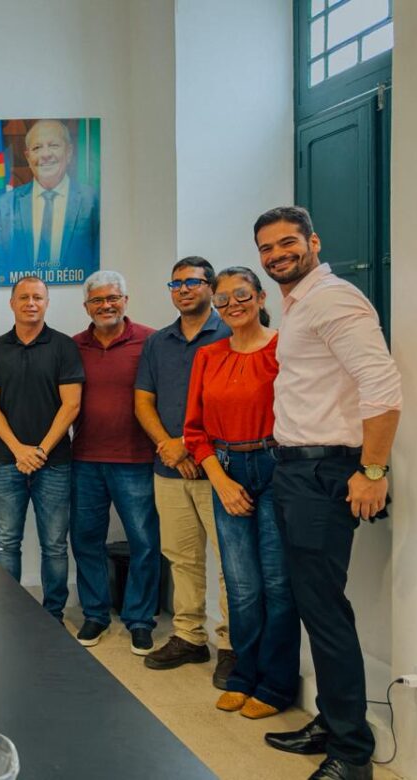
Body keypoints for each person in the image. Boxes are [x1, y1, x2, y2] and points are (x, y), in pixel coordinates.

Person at [255, 207, 401, 780]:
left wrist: (372, 469)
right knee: (315, 607)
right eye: (267, 248)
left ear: (313, 242)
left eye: (287, 242)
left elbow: (381, 384)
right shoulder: (301, 305)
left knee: (325, 612)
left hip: (323, 472)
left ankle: (351, 754)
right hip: (297, 471)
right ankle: (333, 720)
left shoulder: (334, 299)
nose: (276, 255)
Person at [183, 267, 299, 721]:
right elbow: (194, 431)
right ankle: (244, 675)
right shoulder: (208, 356)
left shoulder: (283, 350)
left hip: (276, 466)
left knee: (278, 583)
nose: (233, 305)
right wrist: (220, 480)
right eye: (223, 299)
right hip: (225, 469)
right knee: (242, 585)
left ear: (261, 297)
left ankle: (276, 683)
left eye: (242, 295)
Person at [135, 257, 237, 688]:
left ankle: (231, 645)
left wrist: (192, 446)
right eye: (175, 283)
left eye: (192, 282)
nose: (183, 289)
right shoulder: (159, 342)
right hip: (170, 469)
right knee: (182, 557)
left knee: (231, 563)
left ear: (210, 287)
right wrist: (171, 448)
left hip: (220, 471)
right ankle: (190, 636)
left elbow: (235, 403)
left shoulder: (231, 332)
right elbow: (144, 401)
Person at [68, 271, 160, 655]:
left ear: (125, 300)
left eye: (113, 298)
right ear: (86, 307)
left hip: (136, 459)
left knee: (144, 542)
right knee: (85, 540)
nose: (106, 305)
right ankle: (95, 613)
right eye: (97, 300)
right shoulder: (73, 346)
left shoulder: (151, 341)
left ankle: (140, 619)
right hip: (85, 459)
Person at [0, 275, 84, 620]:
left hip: (54, 463)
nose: (31, 303)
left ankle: (52, 615)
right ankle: (9, 613)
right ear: (11, 302)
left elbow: (71, 405)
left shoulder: (64, 346)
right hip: (6, 461)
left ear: (47, 303)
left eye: (37, 298)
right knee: (6, 542)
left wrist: (39, 450)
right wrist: (19, 450)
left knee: (54, 544)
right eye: (24, 297)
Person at [0, 119, 100, 273]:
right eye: (37, 148)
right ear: (28, 157)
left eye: (54, 145)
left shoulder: (93, 201)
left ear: (69, 152)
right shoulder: (4, 206)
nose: (45, 154)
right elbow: (0, 266)